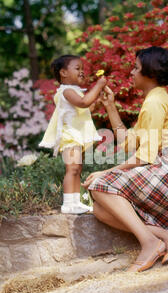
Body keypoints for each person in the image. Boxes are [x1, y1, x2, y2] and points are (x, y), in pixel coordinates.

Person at [82, 46, 168, 272]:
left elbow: (144, 156)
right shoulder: (154, 99)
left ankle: (150, 243)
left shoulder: (154, 103)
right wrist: (110, 107)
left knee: (98, 186)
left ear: (150, 75)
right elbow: (129, 143)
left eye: (136, 68)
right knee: (100, 211)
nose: (131, 73)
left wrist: (106, 173)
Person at [39, 55, 105, 214]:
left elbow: (87, 109)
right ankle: (68, 203)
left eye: (83, 69)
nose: (82, 72)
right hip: (69, 136)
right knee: (72, 169)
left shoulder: (75, 91)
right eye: (77, 68)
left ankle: (75, 202)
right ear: (63, 72)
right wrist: (99, 85)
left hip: (76, 136)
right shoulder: (67, 91)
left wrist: (99, 101)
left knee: (77, 168)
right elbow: (83, 103)